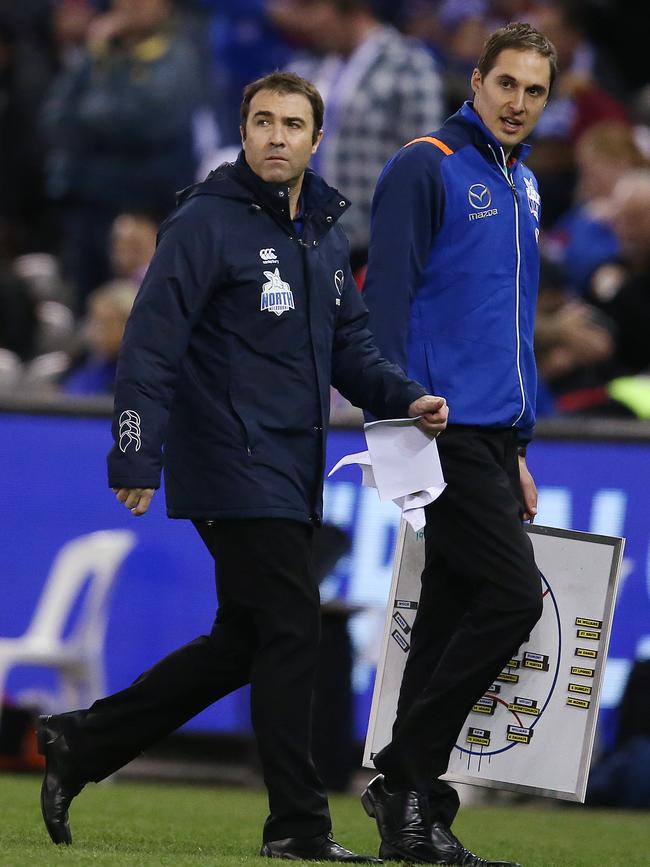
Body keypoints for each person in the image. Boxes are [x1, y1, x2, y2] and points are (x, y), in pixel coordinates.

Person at [36, 70, 449, 860]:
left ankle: (81, 743)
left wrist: (406, 398)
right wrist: (135, 449)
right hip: (229, 459)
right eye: (262, 121)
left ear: (315, 139)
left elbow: (351, 350)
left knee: (247, 638)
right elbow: (150, 344)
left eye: (293, 124)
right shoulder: (204, 223)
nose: (276, 136)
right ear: (244, 129)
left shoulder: (324, 228)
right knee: (295, 627)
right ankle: (298, 824)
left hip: (292, 467)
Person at [360, 22, 557, 866]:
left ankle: (416, 816)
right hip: (440, 427)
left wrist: (517, 446)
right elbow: (388, 298)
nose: (519, 103)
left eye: (536, 91)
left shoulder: (528, 186)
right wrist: (395, 407)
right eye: (506, 84)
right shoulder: (426, 162)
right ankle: (405, 776)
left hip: (490, 436)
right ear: (475, 81)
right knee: (515, 599)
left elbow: (507, 330)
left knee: (442, 620)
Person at [269, 0, 443, 271]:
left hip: (374, 243)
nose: (306, 22)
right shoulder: (311, 65)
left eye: (312, 9)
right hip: (308, 238)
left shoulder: (407, 62)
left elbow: (426, 160)